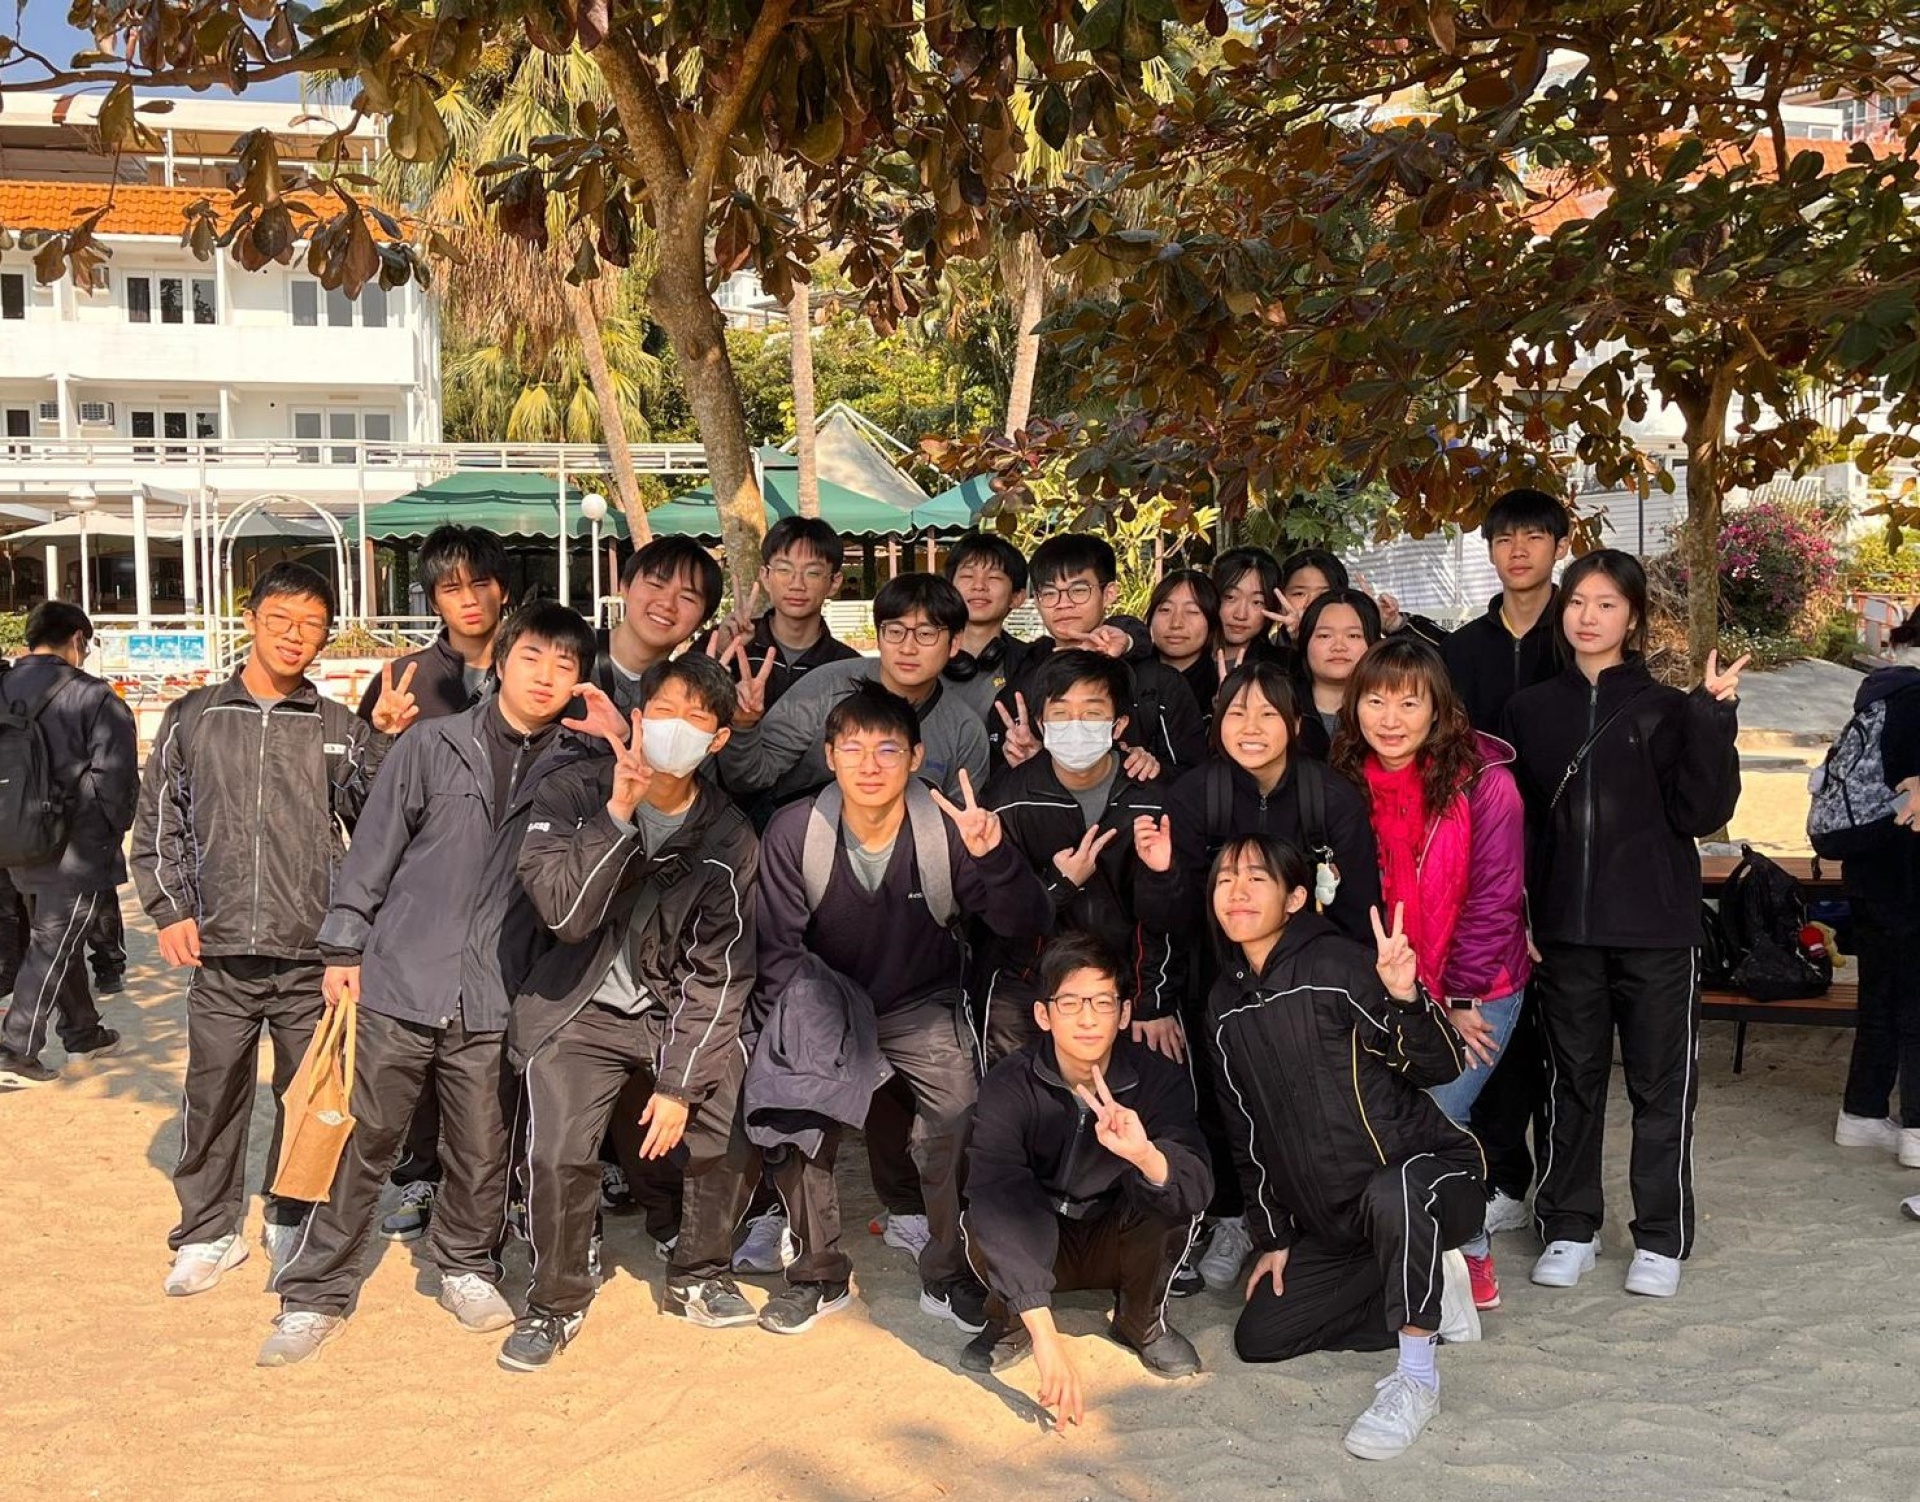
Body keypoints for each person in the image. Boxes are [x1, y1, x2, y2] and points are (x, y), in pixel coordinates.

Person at [256, 603, 596, 1367]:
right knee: (361, 1141)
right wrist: (344, 944)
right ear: (500, 663)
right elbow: (373, 848)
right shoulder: (431, 745)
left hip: (497, 989)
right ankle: (315, 1292)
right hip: (401, 979)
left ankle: (466, 1265)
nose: (546, 676)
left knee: (481, 1146)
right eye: (532, 657)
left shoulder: (579, 768)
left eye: (565, 664)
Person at [751, 681, 1051, 1335]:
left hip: (921, 999)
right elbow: (777, 951)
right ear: (828, 756)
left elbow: (1025, 922)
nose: (869, 764)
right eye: (852, 748)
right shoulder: (797, 829)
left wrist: (994, 857)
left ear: (916, 757)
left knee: (959, 1116)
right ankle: (818, 1274)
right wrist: (785, 1051)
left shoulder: (946, 828)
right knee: (795, 1112)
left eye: (888, 749)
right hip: (825, 1000)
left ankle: (950, 1273)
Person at [497, 652, 762, 1371]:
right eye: (664, 711)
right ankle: (555, 1301)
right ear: (638, 718)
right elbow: (565, 915)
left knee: (723, 1118)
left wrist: (679, 1084)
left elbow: (720, 972)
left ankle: (701, 1271)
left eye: (697, 720)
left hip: (669, 1014)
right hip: (576, 1008)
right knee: (558, 1153)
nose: (677, 729)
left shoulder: (729, 837)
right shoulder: (572, 792)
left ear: (718, 740)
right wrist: (616, 815)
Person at [131, 564, 389, 1296]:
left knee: (306, 1098)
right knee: (213, 1095)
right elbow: (159, 821)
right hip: (218, 954)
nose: (294, 636)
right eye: (280, 619)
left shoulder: (336, 727)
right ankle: (207, 1230)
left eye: (311, 624)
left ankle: (290, 1215)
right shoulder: (194, 717)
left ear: (326, 636)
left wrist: (381, 741)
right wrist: (170, 908)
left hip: (311, 955)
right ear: (250, 620)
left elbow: (373, 826)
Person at [1501, 549, 1745, 1299]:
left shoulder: (1668, 708)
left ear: (1633, 619)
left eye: (1607, 604)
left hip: (1657, 931)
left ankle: (1661, 1237)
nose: (1589, 616)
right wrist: (1522, 913)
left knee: (1661, 1087)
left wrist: (1713, 719)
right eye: (1578, 601)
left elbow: (1703, 812)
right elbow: (1517, 828)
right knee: (1567, 1082)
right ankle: (1569, 1226)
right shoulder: (1529, 710)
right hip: (1565, 933)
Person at [1206, 833, 1481, 1462]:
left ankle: (1416, 1377)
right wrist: (1275, 1237)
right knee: (1261, 1338)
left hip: (1430, 1184)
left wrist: (1406, 997)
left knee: (1395, 1190)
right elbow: (1245, 1133)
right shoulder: (1224, 1005)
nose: (1237, 892)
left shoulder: (1340, 967)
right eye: (1224, 880)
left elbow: (1440, 1065)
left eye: (1256, 878)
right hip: (1338, 1222)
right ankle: (1434, 1289)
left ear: (1295, 897)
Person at [1330, 636, 1530, 1313]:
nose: (1390, 719)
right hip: (1383, 984)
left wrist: (1460, 997)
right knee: (1381, 1122)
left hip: (1476, 985)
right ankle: (1402, 1250)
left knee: (1440, 1114)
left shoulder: (1485, 781)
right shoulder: (1343, 778)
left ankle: (1471, 1251)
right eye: (1375, 701)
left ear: (1438, 708)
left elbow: (1496, 897)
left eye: (1409, 703)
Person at [960, 932, 1212, 1422]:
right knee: (984, 1210)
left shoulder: (1156, 1079)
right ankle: (1014, 1321)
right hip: (1043, 1240)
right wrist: (1047, 1340)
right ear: (1043, 1015)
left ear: (1124, 1013)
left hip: (1114, 1241)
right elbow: (996, 1190)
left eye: (1103, 1002)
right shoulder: (1011, 1083)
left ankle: (1141, 1321)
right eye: (1071, 1002)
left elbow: (1197, 1185)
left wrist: (1145, 1155)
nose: (1088, 1018)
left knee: (1167, 1191)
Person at [356, 523, 514, 1245]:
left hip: (513, 900)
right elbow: (362, 805)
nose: (469, 599)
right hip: (424, 905)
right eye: (451, 587)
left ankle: (503, 1192)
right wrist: (381, 736)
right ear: (432, 599)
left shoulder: (535, 667)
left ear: (502, 588)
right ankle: (419, 1173)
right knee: (415, 1050)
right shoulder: (405, 679)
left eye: (480, 582)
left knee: (496, 1057)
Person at [976, 651, 1177, 1067]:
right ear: (1041, 723)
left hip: (1127, 987)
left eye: (1092, 713)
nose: (1076, 725)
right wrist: (1058, 885)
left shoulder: (1152, 799)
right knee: (1021, 1096)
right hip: (1031, 986)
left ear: (1118, 725)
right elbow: (1000, 918)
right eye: (1061, 713)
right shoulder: (1008, 800)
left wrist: (1151, 1001)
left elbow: (1167, 918)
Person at [0, 602, 138, 1087]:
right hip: (75, 847)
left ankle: (83, 1031)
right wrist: (113, 832)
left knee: (57, 938)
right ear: (78, 638)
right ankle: (15, 1048)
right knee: (53, 941)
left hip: (15, 839)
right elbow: (116, 779)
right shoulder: (93, 696)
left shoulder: (3, 687)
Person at [719, 572, 989, 809]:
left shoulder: (964, 731)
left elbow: (957, 825)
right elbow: (749, 778)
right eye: (895, 631)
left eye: (926, 634)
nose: (908, 648)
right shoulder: (826, 687)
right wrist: (743, 725)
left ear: (954, 643)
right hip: (804, 835)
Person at [991, 534, 1206, 777]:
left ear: (1109, 593)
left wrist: (1152, 770)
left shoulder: (1158, 684)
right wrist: (1036, 765)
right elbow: (995, 784)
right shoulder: (1020, 686)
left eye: (1078, 590)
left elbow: (1197, 778)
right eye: (1049, 593)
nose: (1063, 603)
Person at [1834, 619, 1920, 1174]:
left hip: (1869, 871)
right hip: (1911, 872)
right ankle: (1917, 1129)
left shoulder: (1882, 694)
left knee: (1881, 995)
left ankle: (1862, 1113)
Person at [699, 515, 860, 712]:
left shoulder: (848, 667)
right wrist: (718, 655)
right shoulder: (724, 641)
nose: (797, 584)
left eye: (812, 573)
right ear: (765, 576)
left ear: (834, 582)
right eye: (784, 570)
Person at [589, 537, 726, 715]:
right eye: (655, 585)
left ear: (702, 620)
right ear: (625, 587)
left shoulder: (690, 698)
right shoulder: (567, 651)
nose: (667, 604)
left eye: (687, 598)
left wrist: (744, 724)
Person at [943, 532, 1037, 723]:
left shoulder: (1033, 664)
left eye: (993, 577)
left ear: (1017, 597)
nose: (979, 586)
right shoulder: (919, 655)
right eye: (967, 575)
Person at [1296, 587, 1383, 759]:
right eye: (1325, 636)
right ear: (1305, 642)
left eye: (1353, 636)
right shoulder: (1281, 706)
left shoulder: (1387, 713)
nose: (1338, 647)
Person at [1147, 568, 1224, 728]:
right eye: (1165, 610)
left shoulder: (1221, 688)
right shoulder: (1130, 677)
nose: (1176, 623)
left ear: (1212, 622)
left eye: (1192, 611)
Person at [1211, 546, 1293, 672]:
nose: (1241, 615)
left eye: (1257, 602)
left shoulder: (1283, 666)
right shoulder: (1186, 654)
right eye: (1230, 597)